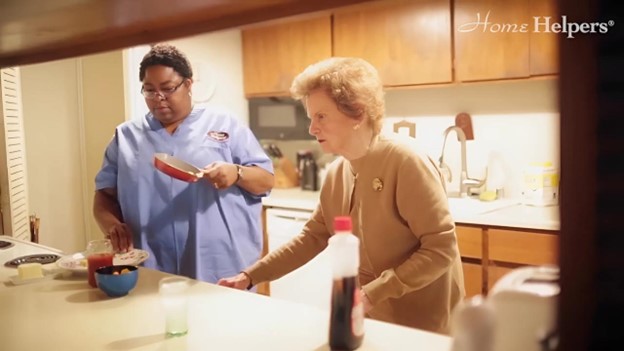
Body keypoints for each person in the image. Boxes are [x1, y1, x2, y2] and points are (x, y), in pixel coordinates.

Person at [218, 57, 464, 334]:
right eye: (311, 118)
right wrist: (250, 276)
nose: (312, 129)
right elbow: (312, 237)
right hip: (371, 313)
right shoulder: (338, 171)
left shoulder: (405, 160)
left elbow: (441, 248)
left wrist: (374, 292)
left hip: (422, 320)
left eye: (321, 116)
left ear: (358, 113)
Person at [93, 43, 274, 283]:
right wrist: (112, 225)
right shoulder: (126, 137)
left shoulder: (225, 124)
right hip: (151, 264)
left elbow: (266, 181)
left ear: (188, 84)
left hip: (220, 265)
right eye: (149, 90)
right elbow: (104, 196)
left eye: (168, 89)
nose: (159, 98)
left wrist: (237, 173)